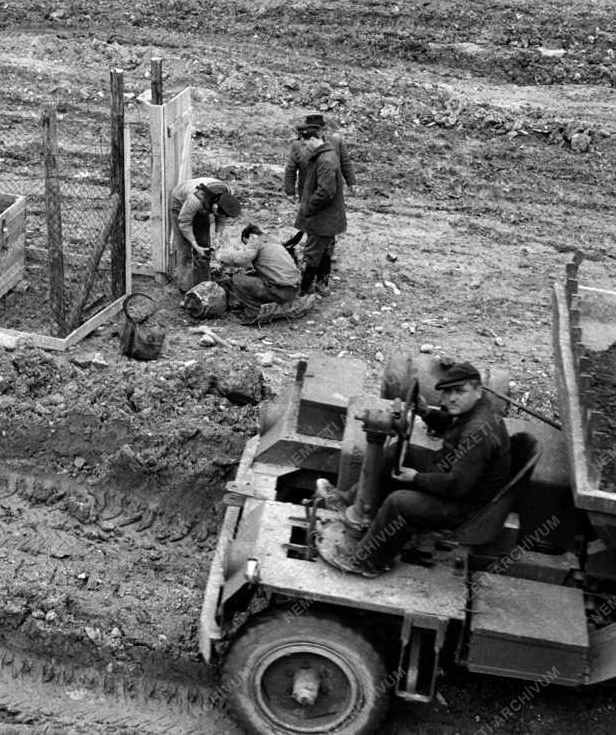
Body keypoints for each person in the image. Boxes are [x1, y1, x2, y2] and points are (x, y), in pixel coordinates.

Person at [325, 362, 512, 578]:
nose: (451, 398)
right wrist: (425, 412)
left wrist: (416, 478)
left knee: (400, 502)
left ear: (478, 391)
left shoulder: (479, 432)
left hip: (465, 506)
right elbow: (452, 426)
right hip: (453, 471)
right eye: (447, 392)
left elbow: (457, 486)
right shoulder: (475, 409)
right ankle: (351, 501)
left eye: (460, 392)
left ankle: (368, 561)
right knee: (395, 453)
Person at [294, 115, 355, 297]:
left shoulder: (325, 160)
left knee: (312, 252)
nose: (305, 148)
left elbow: (326, 191)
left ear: (313, 139)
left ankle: (304, 291)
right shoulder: (324, 155)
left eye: (306, 144)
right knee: (325, 248)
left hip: (321, 217)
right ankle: (322, 284)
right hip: (328, 217)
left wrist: (309, 208)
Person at [214, 224, 313, 325]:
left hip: (280, 290)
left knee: (237, 279)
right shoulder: (273, 242)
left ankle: (253, 312)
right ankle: (263, 304)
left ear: (250, 237)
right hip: (293, 289)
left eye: (246, 243)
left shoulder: (256, 241)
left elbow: (240, 260)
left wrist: (220, 256)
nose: (247, 246)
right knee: (252, 275)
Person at [169, 177, 241, 292]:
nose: (221, 217)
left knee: (204, 249)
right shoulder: (196, 200)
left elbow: (222, 218)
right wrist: (194, 244)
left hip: (204, 206)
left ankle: (202, 287)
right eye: (220, 214)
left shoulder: (227, 196)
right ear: (215, 207)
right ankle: (185, 289)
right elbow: (184, 223)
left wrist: (218, 237)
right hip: (180, 202)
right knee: (185, 250)